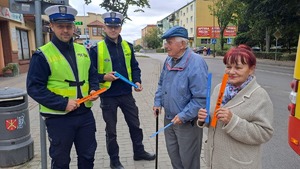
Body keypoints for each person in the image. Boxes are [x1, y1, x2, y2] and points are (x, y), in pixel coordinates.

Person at [26, 5, 100, 169]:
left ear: (74, 27)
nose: (65, 30)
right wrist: (63, 103)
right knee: (61, 162)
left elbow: (92, 75)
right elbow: (34, 88)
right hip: (59, 118)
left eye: (68, 26)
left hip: (85, 115)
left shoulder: (83, 50)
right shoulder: (42, 54)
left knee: (88, 157)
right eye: (60, 26)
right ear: (51, 26)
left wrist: (93, 89)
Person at [89, 11, 155, 169]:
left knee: (135, 125)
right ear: (105, 27)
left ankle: (139, 152)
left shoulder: (128, 46)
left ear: (120, 28)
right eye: (110, 26)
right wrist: (103, 77)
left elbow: (134, 67)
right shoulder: (96, 49)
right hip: (108, 96)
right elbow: (90, 74)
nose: (113, 29)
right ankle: (114, 160)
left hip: (126, 93)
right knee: (111, 130)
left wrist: (137, 81)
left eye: (116, 26)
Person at [197, 44, 274, 169]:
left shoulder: (259, 95)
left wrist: (233, 121)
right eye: (228, 67)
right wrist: (204, 119)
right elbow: (214, 119)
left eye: (238, 67)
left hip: (238, 164)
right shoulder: (219, 88)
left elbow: (265, 133)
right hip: (215, 160)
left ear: (251, 69)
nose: (231, 72)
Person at [153, 26, 208, 169]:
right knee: (175, 158)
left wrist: (183, 115)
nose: (166, 46)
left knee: (188, 161)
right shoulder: (169, 60)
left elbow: (201, 98)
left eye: (169, 42)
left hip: (187, 123)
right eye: (166, 42)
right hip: (169, 120)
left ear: (182, 44)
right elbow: (161, 83)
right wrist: (157, 102)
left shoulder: (196, 63)